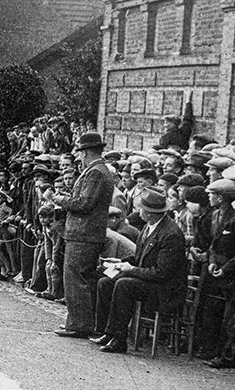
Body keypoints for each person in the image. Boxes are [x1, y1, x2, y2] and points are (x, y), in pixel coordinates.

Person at [91, 186, 187, 353]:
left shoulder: (170, 234)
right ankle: (106, 331)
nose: (137, 211)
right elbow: (139, 257)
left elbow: (161, 272)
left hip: (165, 290)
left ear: (150, 212)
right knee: (106, 281)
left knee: (124, 285)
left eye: (140, 208)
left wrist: (131, 269)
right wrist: (120, 262)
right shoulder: (149, 226)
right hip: (148, 281)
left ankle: (119, 339)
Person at [54, 132, 115, 338]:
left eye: (80, 152)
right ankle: (79, 321)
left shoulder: (96, 172)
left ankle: (79, 324)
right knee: (80, 278)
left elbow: (84, 203)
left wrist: (59, 199)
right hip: (85, 233)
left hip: (84, 234)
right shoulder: (97, 170)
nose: (79, 157)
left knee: (75, 277)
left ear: (87, 152)